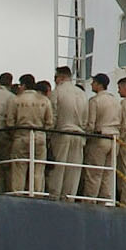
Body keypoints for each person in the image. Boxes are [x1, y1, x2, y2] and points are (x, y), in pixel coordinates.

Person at [47, 66, 91, 199]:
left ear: (60, 77)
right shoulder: (82, 94)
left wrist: (49, 135)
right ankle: (69, 198)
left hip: (62, 133)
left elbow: (53, 116)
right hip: (79, 134)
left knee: (58, 169)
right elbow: (86, 119)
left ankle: (55, 197)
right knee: (74, 170)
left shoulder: (57, 92)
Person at [3, 76, 49, 195]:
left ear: (23, 85)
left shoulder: (16, 100)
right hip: (39, 137)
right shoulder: (44, 100)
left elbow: (10, 122)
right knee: (38, 169)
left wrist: (15, 134)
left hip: (21, 136)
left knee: (19, 168)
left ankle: (18, 194)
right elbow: (50, 123)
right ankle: (37, 194)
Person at [82, 73, 120, 203]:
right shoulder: (116, 100)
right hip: (114, 138)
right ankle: (105, 202)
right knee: (108, 174)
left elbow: (91, 124)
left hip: (99, 137)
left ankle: (89, 201)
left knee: (94, 173)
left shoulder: (95, 101)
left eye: (93, 82)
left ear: (99, 85)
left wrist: (85, 136)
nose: (92, 84)